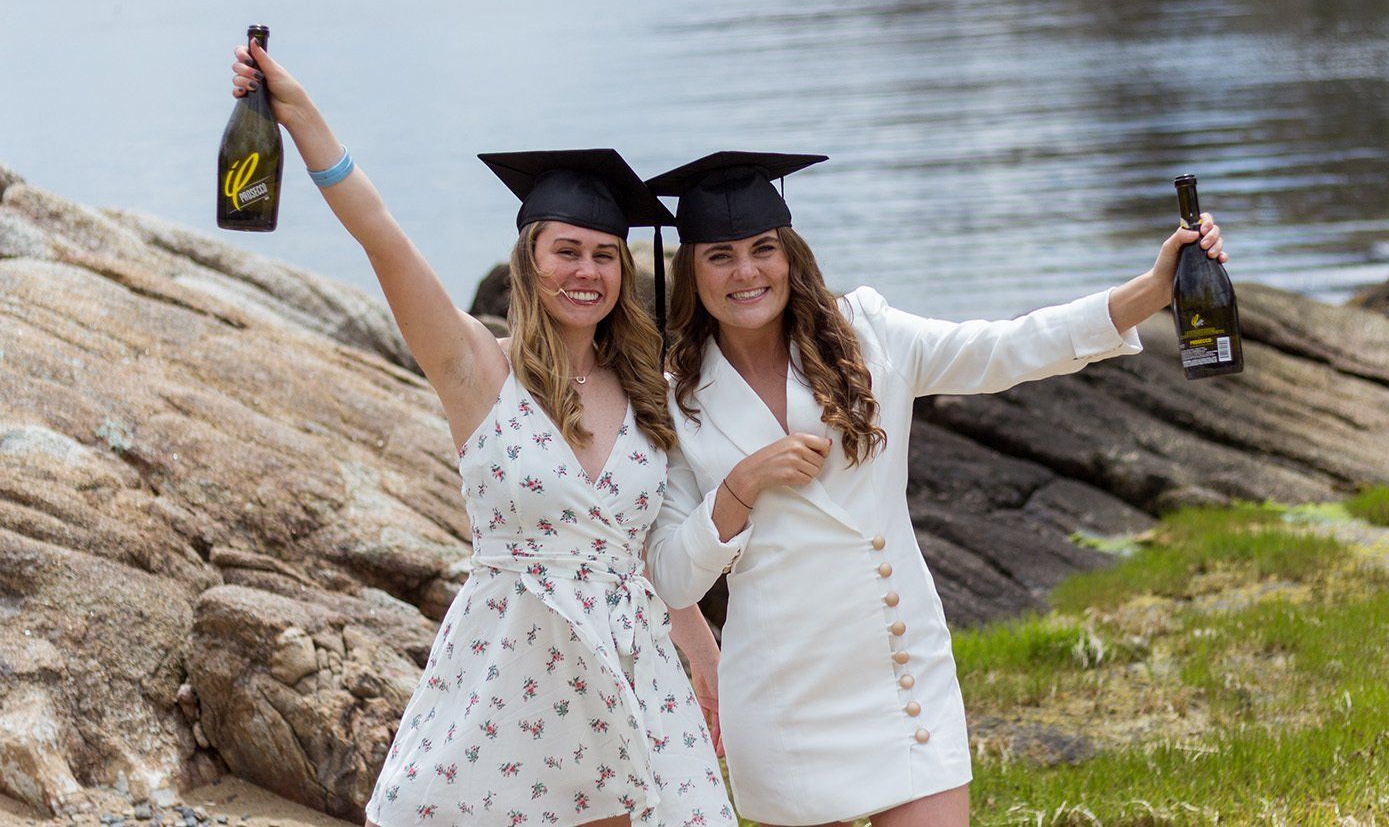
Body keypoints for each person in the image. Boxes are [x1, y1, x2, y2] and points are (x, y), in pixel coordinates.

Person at [228, 44, 735, 827]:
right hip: (515, 663)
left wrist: (696, 638)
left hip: (630, 662)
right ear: (529, 258)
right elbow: (382, 236)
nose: (587, 272)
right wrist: (300, 117)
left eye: (604, 255)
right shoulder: (476, 371)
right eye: (567, 250)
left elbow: (642, 541)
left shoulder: (650, 391)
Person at [644, 151, 1228, 827]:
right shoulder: (674, 398)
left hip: (898, 671)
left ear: (790, 254)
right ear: (691, 270)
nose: (746, 271)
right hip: (780, 699)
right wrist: (739, 488)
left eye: (762, 248)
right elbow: (671, 577)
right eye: (720, 255)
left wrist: (1153, 289)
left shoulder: (867, 334)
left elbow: (1006, 348)